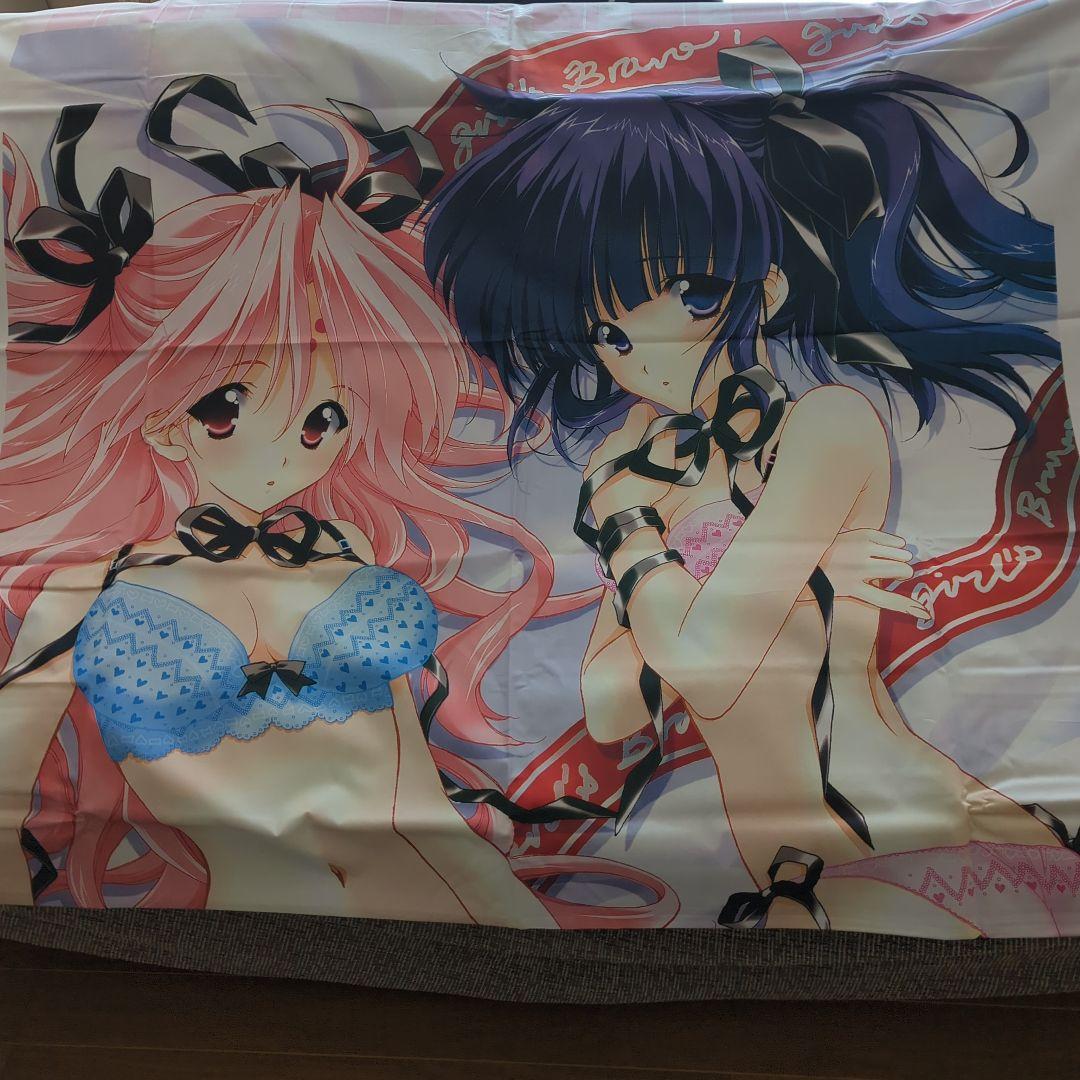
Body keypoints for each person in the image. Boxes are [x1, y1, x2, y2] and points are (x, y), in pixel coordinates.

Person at [422, 43, 1076, 934]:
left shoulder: (824, 427)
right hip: (795, 880)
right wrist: (767, 590)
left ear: (762, 289)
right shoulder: (649, 483)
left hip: (912, 835)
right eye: (611, 333)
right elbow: (610, 710)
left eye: (686, 296)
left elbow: (703, 667)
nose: (648, 354)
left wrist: (635, 537)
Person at [0, 75, 605, 926]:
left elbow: (411, 782)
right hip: (263, 923)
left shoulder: (345, 549)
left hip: (453, 888)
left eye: (327, 416)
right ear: (162, 419)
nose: (294, 444)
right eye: (232, 404)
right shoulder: (81, 593)